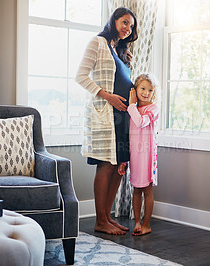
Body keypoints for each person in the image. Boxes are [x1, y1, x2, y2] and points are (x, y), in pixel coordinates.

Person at [75, 7, 138, 235]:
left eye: (131, 26)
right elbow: (80, 76)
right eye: (124, 22)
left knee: (118, 167)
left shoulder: (119, 49)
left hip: (122, 117)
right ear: (113, 21)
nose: (127, 29)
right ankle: (100, 220)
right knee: (105, 165)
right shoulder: (97, 42)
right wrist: (108, 96)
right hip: (104, 114)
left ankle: (108, 218)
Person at [118, 74, 159, 236]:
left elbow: (141, 122)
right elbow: (128, 136)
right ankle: (137, 222)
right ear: (135, 90)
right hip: (134, 155)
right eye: (142, 88)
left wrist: (131, 105)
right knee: (136, 189)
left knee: (147, 190)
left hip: (147, 157)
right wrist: (124, 160)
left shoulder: (152, 109)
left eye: (150, 90)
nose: (146, 93)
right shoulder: (132, 110)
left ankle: (146, 224)